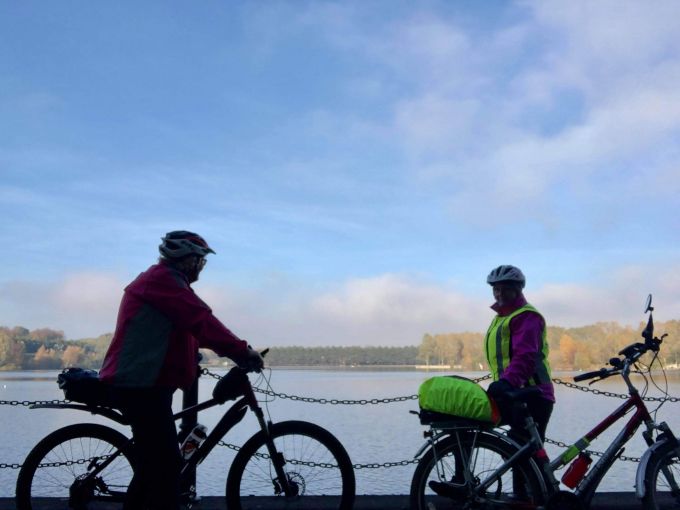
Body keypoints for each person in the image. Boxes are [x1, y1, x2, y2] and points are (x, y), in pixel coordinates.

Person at [99, 230, 263, 510]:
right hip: (140, 385)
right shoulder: (164, 282)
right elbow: (201, 322)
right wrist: (241, 351)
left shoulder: (167, 282)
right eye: (200, 260)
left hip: (146, 383)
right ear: (188, 259)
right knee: (166, 466)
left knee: (154, 466)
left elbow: (181, 331)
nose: (202, 267)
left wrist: (190, 361)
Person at [484, 264, 554, 442]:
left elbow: (525, 356)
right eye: (496, 289)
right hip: (513, 391)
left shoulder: (526, 316)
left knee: (525, 452)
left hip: (532, 394)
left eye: (505, 289)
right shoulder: (502, 317)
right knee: (515, 450)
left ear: (517, 290)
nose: (499, 294)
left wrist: (507, 382)